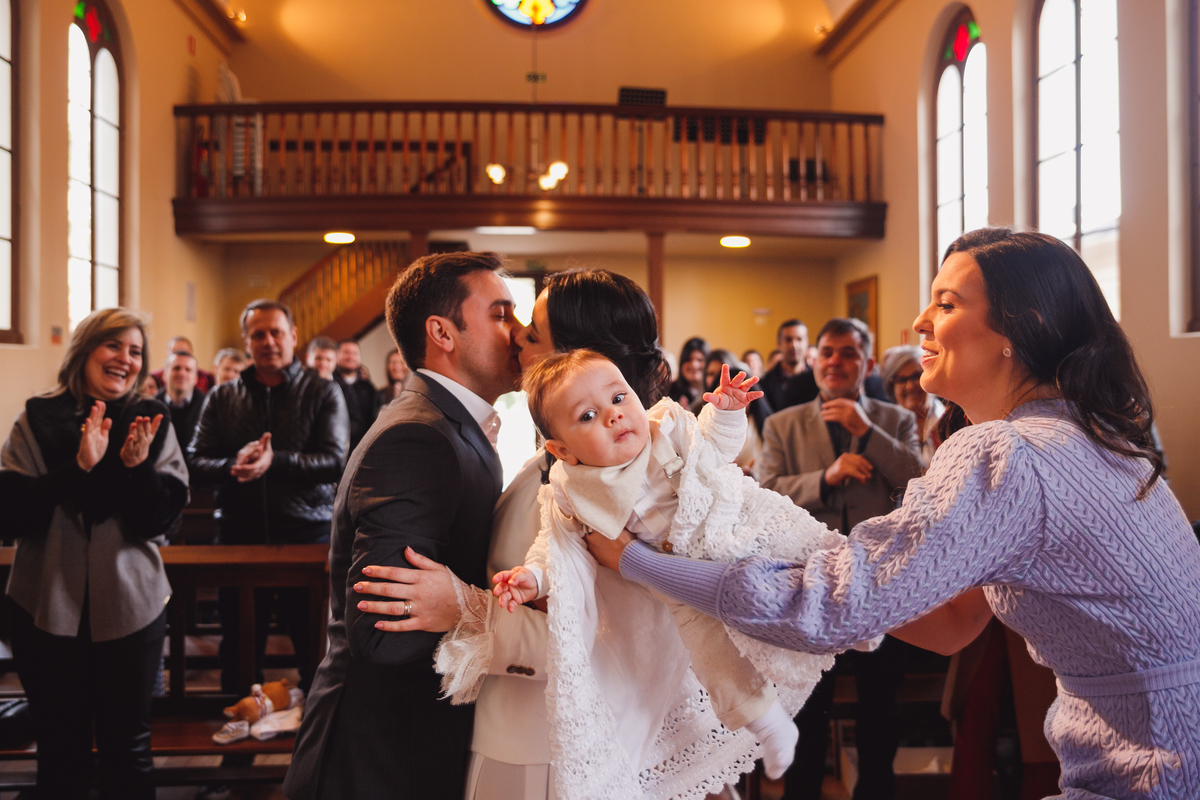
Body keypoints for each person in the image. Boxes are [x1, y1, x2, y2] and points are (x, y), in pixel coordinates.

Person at [588, 228, 1200, 800]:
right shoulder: (1088, 432)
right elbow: (952, 623)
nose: (919, 322)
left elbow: (825, 607)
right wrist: (805, 547)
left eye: (948, 304)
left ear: (1024, 326)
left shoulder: (1011, 453)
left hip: (1153, 761)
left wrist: (642, 561)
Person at [352, 269, 799, 800]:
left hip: (566, 750)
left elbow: (625, 641)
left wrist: (469, 611)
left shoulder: (631, 495)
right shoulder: (561, 469)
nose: (516, 336)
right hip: (527, 734)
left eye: (533, 333)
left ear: (577, 360)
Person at [494, 352, 847, 782]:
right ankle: (768, 721)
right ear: (561, 449)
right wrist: (533, 579)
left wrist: (727, 412)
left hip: (731, 534)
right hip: (678, 584)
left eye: (619, 398)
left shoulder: (668, 426)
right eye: (588, 415)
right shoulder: (570, 491)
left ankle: (853, 609)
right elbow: (556, 547)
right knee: (713, 656)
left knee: (802, 570)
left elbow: (716, 448)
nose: (613, 417)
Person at [285, 252, 521, 800]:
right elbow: (382, 633)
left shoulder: (451, 425)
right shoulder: (418, 438)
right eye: (502, 314)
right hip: (376, 759)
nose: (519, 331)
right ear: (443, 332)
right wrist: (480, 609)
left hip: (407, 742)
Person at [0, 308, 188, 799]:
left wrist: (135, 468)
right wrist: (76, 470)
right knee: (60, 753)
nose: (125, 359)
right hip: (45, 607)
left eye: (136, 351)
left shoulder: (152, 418)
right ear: (85, 349)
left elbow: (158, 522)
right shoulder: (37, 418)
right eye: (114, 346)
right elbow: (9, 515)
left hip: (131, 610)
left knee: (127, 749)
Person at [758, 316, 923, 800]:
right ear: (813, 361)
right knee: (807, 716)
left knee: (880, 717)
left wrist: (866, 432)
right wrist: (824, 479)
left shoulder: (897, 421)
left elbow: (920, 483)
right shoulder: (781, 426)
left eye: (848, 353)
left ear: (867, 363)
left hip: (880, 589)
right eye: (826, 352)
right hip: (807, 590)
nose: (835, 361)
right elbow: (763, 494)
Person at [188, 299, 349, 697]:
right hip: (238, 538)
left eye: (276, 332)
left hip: (305, 538)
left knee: (313, 651)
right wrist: (233, 465)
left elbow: (335, 460)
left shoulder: (323, 391)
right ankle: (239, 740)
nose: (268, 341)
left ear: (293, 336)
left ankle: (315, 746)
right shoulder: (223, 397)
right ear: (246, 341)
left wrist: (275, 462)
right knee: (240, 652)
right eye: (258, 334)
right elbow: (193, 462)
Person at [880, 345, 944, 469]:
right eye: (901, 379)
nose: (909, 386)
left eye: (916, 376)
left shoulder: (952, 420)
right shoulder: (883, 427)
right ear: (891, 387)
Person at [759, 319, 816, 413]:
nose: (794, 345)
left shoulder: (819, 381)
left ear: (807, 343)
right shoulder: (764, 384)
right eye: (788, 340)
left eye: (799, 339)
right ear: (779, 344)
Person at [334, 338, 379, 453]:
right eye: (346, 353)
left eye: (355, 353)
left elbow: (374, 418)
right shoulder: (329, 385)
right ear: (337, 355)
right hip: (337, 447)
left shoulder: (368, 387)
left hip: (364, 448)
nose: (351, 357)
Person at [156, 350, 206, 450]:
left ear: (196, 378)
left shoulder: (207, 407)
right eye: (176, 368)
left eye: (188, 370)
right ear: (164, 375)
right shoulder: (151, 406)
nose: (182, 373)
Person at [151, 335, 216, 392]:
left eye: (184, 353)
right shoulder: (154, 378)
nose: (182, 373)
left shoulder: (207, 378)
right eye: (175, 353)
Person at [667, 336, 709, 406]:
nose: (694, 365)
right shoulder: (669, 392)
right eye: (689, 360)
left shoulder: (714, 391)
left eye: (700, 360)